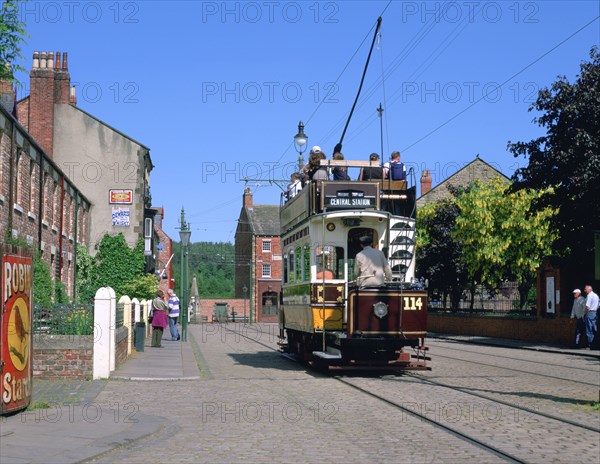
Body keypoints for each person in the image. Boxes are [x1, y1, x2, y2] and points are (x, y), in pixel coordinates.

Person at [583, 285, 598, 349]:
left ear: (589, 289)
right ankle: (595, 343)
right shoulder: (596, 295)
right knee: (594, 328)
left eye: (585, 289)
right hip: (595, 312)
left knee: (589, 330)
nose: (584, 290)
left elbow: (587, 307)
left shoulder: (589, 296)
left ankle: (591, 345)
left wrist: (584, 313)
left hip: (590, 313)